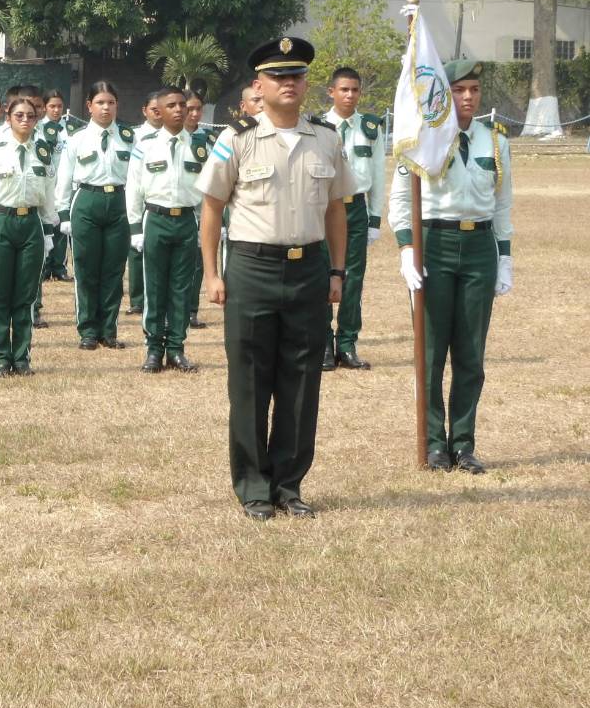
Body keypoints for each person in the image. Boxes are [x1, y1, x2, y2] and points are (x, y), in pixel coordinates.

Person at [196, 37, 353, 522]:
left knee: (302, 381)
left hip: (308, 268)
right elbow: (212, 207)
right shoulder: (237, 137)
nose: (289, 83)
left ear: (307, 84)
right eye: (279, 76)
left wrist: (336, 271)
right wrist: (212, 274)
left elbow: (335, 209)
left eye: (298, 75)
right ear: (258, 86)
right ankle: (253, 487)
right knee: (249, 380)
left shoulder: (326, 138)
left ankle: (289, 485)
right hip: (251, 267)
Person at [389, 59, 513, 474]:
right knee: (431, 351)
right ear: (444, 93)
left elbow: (501, 204)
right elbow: (402, 202)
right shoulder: (420, 139)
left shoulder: (494, 141)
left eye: (474, 90)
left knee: (470, 354)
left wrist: (506, 258)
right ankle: (434, 444)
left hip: (479, 247)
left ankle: (463, 444)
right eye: (459, 90)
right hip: (434, 244)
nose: (467, 98)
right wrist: (407, 249)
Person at [0, 97, 58, 376]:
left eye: (30, 116)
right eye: (19, 115)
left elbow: (48, 195)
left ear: (36, 119)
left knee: (25, 295)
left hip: (30, 222)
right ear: (8, 118)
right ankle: (1, 358)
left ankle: (21, 357)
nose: (25, 120)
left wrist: (48, 230)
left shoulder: (43, 151)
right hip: (1, 221)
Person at [126, 87, 204, 373]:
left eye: (183, 105)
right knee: (155, 287)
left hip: (185, 220)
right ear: (158, 110)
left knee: (182, 288)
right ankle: (154, 349)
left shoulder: (198, 145)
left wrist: (207, 226)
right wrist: (135, 227)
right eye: (171, 105)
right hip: (155, 219)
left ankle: (177, 348)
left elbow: (207, 191)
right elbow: (133, 187)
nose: (179, 110)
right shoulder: (145, 145)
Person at [56, 81, 134, 349]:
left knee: (113, 269)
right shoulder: (76, 138)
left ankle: (108, 329)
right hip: (87, 200)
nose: (106, 108)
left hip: (119, 202)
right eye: (100, 102)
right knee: (86, 268)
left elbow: (137, 177)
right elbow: (64, 178)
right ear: (89, 106)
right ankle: (88, 330)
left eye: (111, 102)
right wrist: (63, 214)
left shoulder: (127, 136)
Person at [320, 67, 385, 371]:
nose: (349, 95)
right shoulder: (318, 127)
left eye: (355, 90)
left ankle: (347, 344)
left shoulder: (371, 127)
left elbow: (379, 176)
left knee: (353, 277)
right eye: (343, 89)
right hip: (324, 208)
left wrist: (374, 220)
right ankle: (322, 343)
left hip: (356, 209)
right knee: (322, 274)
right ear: (331, 92)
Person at [126, 91, 163, 316]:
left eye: (162, 109)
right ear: (144, 111)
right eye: (154, 110)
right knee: (136, 249)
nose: (159, 114)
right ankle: (137, 298)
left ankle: (155, 296)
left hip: (157, 197)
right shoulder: (133, 135)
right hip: (134, 194)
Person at [182, 91, 214, 330]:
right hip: (177, 207)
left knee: (197, 263)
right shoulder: (169, 138)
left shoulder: (210, 139)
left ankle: (191, 310)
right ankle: (174, 310)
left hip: (202, 209)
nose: (194, 114)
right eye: (189, 108)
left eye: (198, 109)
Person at [39, 88, 72, 283]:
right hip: (45, 184)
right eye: (52, 106)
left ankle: (59, 267)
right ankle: (44, 266)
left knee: (61, 226)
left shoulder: (70, 130)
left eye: (59, 106)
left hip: (63, 183)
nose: (56, 110)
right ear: (44, 107)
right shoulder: (38, 129)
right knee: (46, 224)